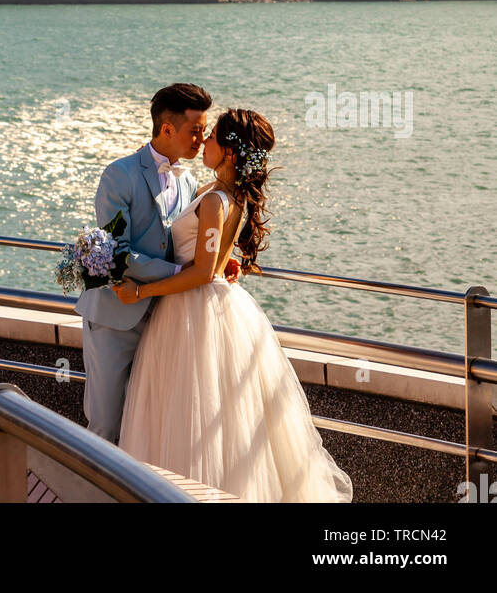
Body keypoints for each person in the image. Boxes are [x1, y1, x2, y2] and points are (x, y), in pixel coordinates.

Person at [114, 107, 353, 502]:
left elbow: (204, 272)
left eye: (211, 138)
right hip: (210, 309)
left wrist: (139, 293)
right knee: (216, 417)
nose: (203, 143)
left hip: (193, 311)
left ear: (227, 151)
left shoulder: (215, 200)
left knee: (192, 413)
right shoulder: (222, 193)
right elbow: (213, 259)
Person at [75, 83, 239, 445]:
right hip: (116, 317)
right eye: (195, 131)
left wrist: (217, 262)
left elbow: (185, 240)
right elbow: (119, 253)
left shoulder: (190, 181)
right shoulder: (119, 174)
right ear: (167, 129)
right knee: (104, 425)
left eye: (204, 132)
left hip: (165, 321)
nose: (201, 139)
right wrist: (190, 274)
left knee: (145, 427)